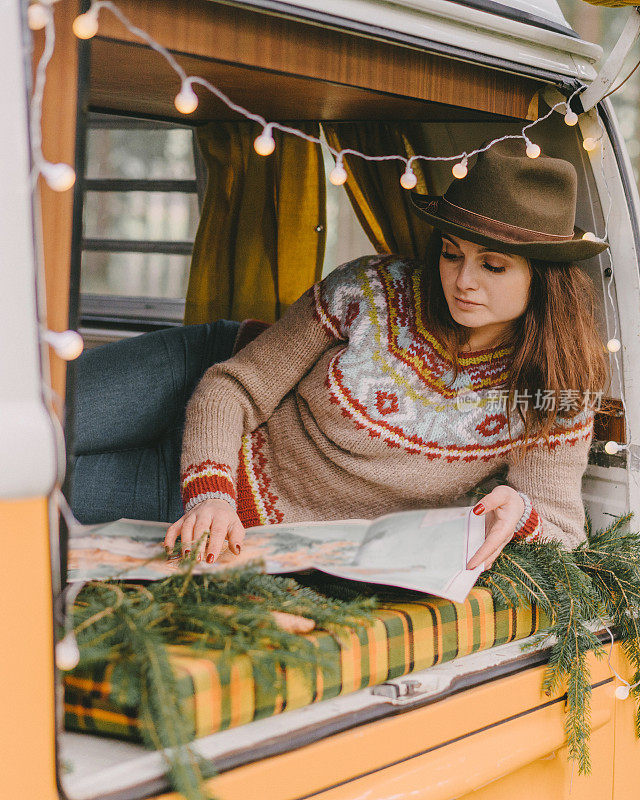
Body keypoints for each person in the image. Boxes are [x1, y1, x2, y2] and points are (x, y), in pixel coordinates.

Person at [164, 137, 609, 572]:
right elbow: (233, 387)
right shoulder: (370, 288)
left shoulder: (554, 386)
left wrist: (522, 511)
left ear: (547, 280)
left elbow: (563, 533)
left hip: (242, 534)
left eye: (492, 265)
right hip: (213, 441)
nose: (463, 281)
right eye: (452, 254)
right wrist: (212, 494)